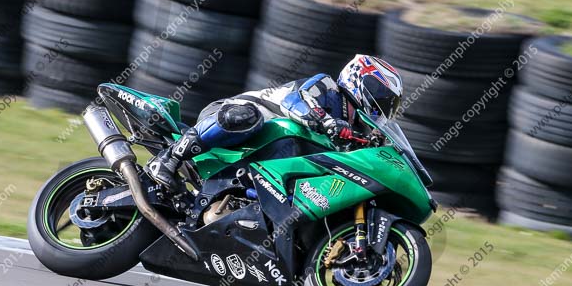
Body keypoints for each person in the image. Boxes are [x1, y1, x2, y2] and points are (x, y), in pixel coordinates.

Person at [147, 54, 404, 188]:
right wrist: (326, 121)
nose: (382, 105)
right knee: (249, 117)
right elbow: (297, 102)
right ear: (359, 78)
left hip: (261, 157)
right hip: (235, 117)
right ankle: (170, 157)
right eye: (381, 94)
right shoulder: (328, 87)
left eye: (388, 103)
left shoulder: (352, 128)